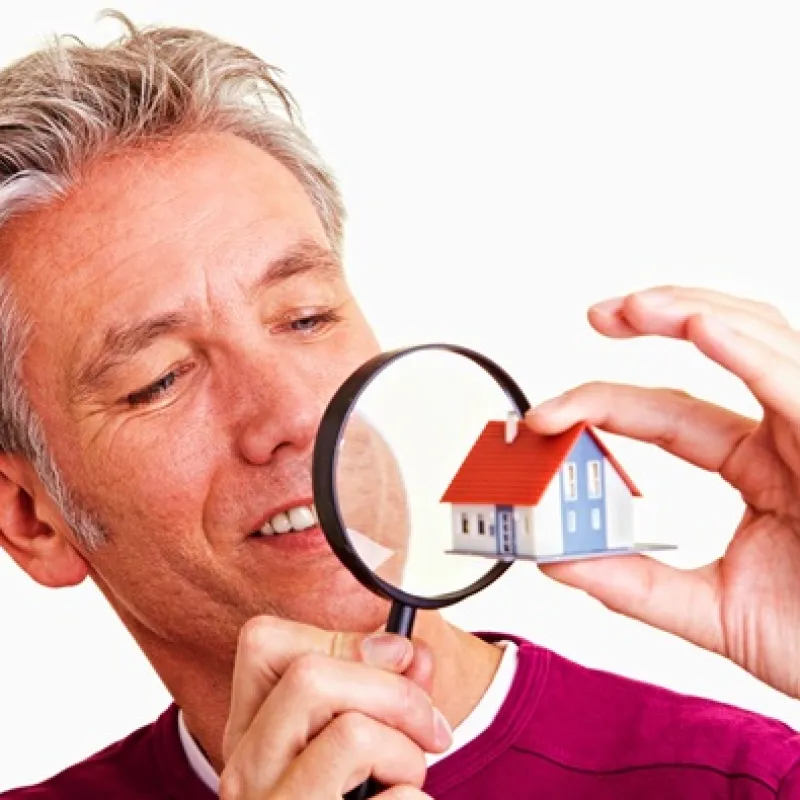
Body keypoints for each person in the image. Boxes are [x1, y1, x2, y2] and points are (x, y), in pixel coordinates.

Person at [1, 11, 799, 799]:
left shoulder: (749, 782)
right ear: (31, 517)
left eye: (306, 317)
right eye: (160, 378)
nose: (294, 416)